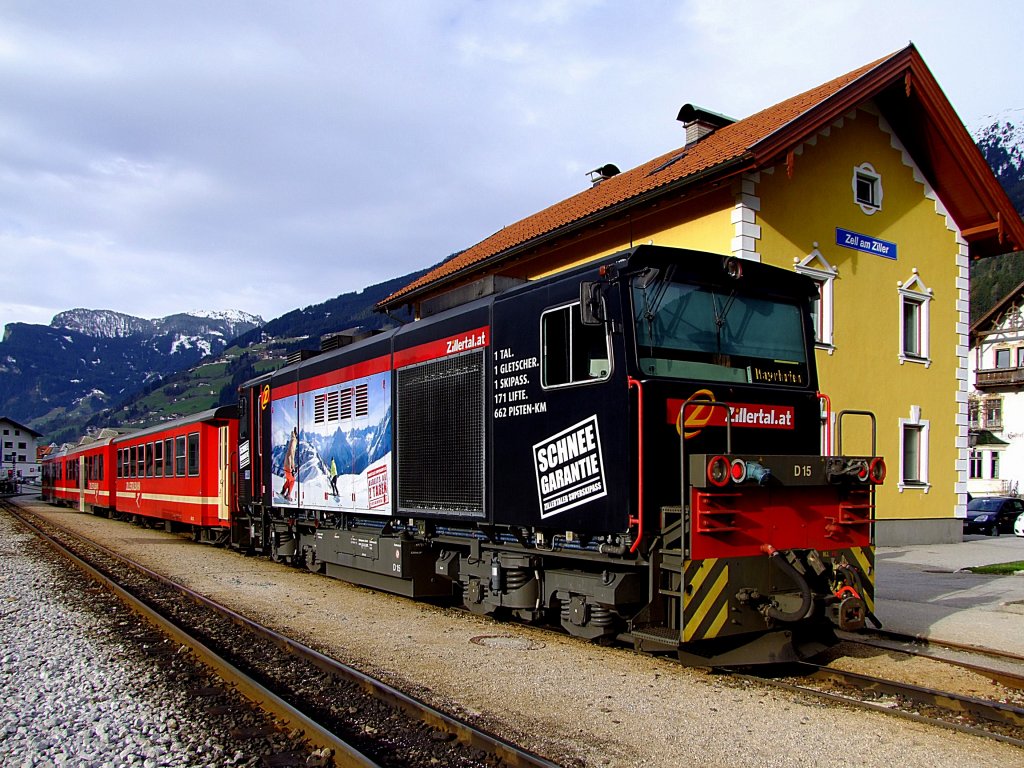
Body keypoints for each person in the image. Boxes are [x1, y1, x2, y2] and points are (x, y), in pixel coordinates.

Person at [281, 427, 298, 501]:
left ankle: (283, 491)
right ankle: (288, 495)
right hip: (288, 464)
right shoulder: (294, 440)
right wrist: (292, 467)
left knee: (289, 479)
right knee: (292, 480)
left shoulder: (292, 439)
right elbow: (291, 452)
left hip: (286, 464)